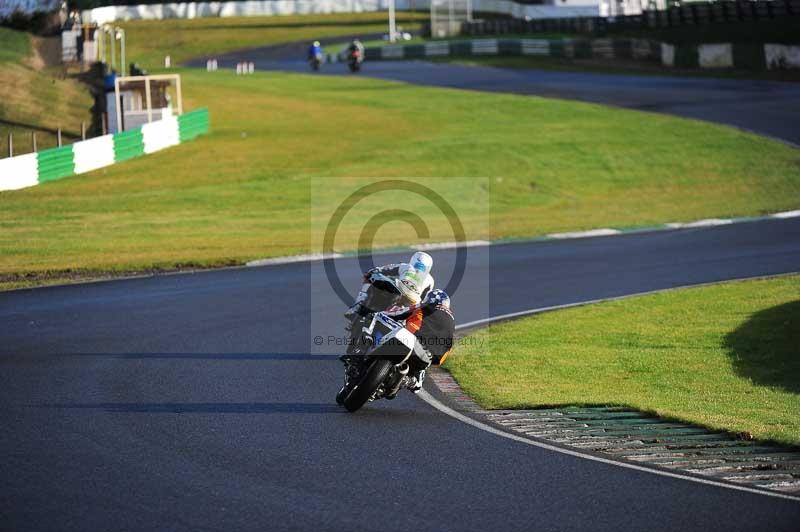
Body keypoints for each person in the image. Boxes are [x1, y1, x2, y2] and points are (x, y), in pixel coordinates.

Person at [385, 288, 455, 393]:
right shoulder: (452, 322)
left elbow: (397, 313)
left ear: (430, 299)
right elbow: (448, 347)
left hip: (411, 342)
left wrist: (378, 314)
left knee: (387, 341)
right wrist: (432, 360)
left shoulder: (425, 306)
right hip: (428, 358)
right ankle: (414, 379)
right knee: (416, 385)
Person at [344, 251, 434, 323]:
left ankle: (358, 306)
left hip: (399, 291)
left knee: (370, 277)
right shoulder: (430, 280)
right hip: (414, 301)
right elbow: (424, 299)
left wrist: (371, 272)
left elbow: (384, 269)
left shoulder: (406, 266)